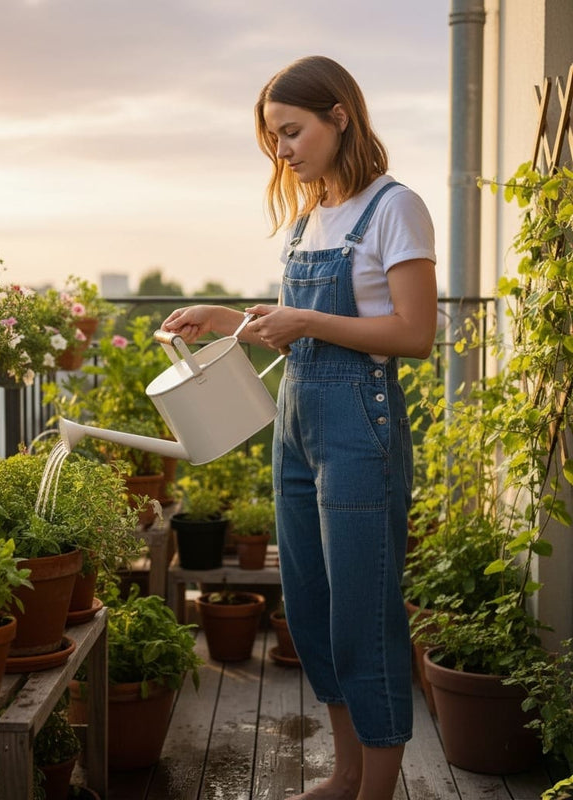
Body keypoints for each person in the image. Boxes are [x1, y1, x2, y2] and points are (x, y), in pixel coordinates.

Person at [162, 56, 437, 800]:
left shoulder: (396, 208)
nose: (282, 151)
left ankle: (376, 790)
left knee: (363, 617)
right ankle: (346, 774)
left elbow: (414, 334)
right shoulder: (313, 213)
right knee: (311, 609)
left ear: (339, 117)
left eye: (291, 132)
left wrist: (305, 319)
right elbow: (297, 331)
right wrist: (226, 318)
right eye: (273, 138)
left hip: (359, 431)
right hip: (296, 427)